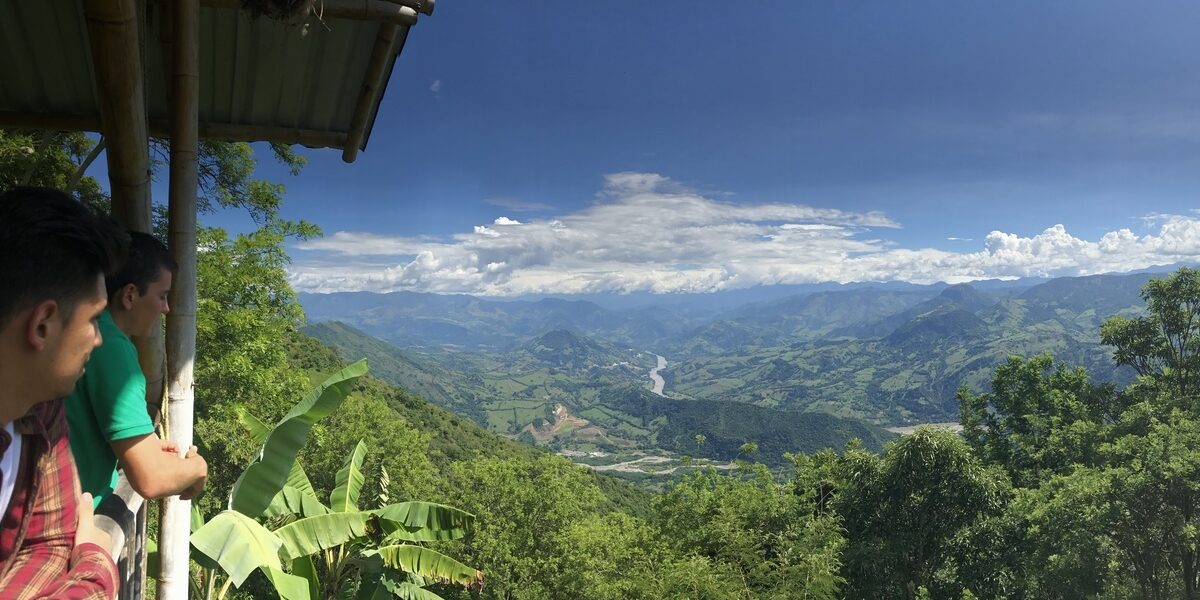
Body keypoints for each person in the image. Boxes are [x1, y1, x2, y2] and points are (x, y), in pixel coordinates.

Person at [0, 186, 128, 599]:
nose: (97, 339)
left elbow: (48, 543)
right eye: (93, 320)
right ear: (42, 325)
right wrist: (95, 569)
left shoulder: (41, 411)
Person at [67, 232, 207, 508]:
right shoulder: (111, 347)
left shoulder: (90, 330)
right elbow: (150, 479)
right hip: (72, 523)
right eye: (162, 296)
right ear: (130, 295)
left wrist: (147, 447)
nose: (166, 308)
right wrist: (199, 468)